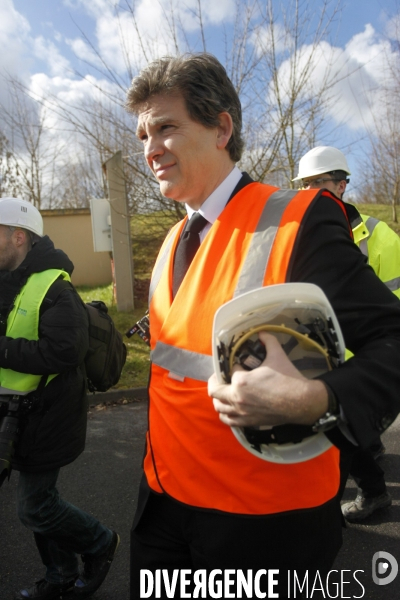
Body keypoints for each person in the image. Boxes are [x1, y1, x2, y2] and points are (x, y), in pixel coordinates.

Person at [125, 54, 400, 599]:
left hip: (263, 527)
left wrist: (317, 398)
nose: (150, 148)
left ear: (222, 127)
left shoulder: (299, 219)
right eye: (142, 135)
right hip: (162, 505)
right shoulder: (171, 243)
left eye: (166, 127)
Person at [0, 197, 119, 600]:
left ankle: (101, 543)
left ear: (18, 237)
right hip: (16, 415)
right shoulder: (6, 280)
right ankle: (60, 573)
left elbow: (64, 352)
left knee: (35, 507)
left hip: (49, 416)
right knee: (40, 502)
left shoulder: (55, 285)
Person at [293, 146, 400, 522]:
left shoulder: (377, 234)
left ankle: (359, 499)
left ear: (341, 184)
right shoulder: (300, 230)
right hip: (320, 357)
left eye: (318, 182)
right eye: (305, 184)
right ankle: (370, 487)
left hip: (363, 359)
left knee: (341, 439)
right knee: (345, 440)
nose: (311, 190)